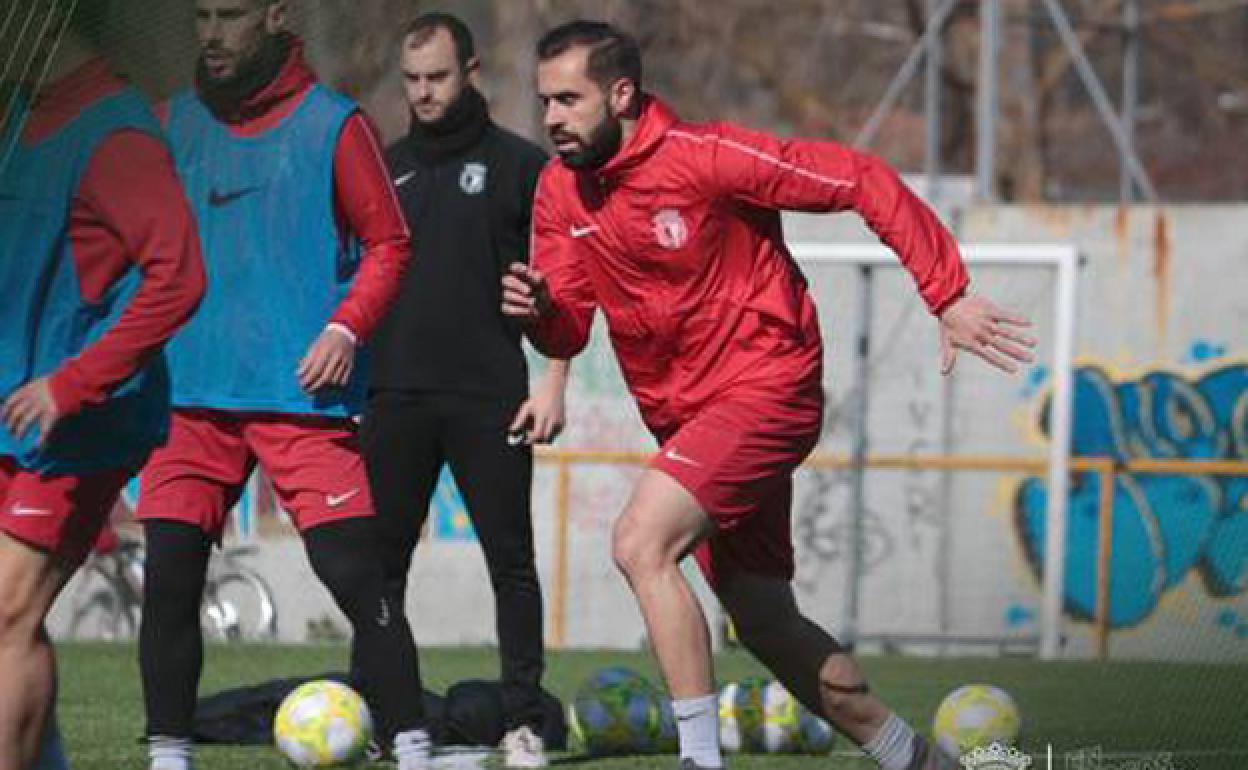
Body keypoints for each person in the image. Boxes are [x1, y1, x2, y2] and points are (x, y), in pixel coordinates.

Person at [502, 20, 1037, 770]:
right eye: (545, 102)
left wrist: (945, 292)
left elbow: (861, 178)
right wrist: (539, 313)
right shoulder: (560, 191)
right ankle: (914, 758)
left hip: (767, 388)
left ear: (620, 94)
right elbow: (568, 331)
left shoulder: (707, 157)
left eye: (568, 99)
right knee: (763, 620)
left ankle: (699, 758)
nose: (552, 118)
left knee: (639, 542)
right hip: (685, 421)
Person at [133, 2, 430, 768]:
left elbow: (391, 243)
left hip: (301, 397)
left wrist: (345, 327)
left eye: (231, 15)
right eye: (201, 15)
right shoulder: (167, 124)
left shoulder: (334, 125)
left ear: (274, 15)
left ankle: (414, 745)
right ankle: (168, 756)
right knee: (169, 580)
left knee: (356, 577)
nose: (211, 32)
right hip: (188, 400)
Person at [0, 3, 206, 769]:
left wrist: (73, 384)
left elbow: (180, 279)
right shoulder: (20, 115)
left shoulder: (118, 136)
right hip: (14, 410)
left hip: (81, 424)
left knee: (8, 611)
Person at [362, 13, 566, 768]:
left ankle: (523, 723)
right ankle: (390, 721)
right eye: (412, 79)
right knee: (380, 571)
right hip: (395, 396)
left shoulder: (523, 167)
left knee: (511, 564)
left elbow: (562, 289)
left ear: (470, 72)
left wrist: (553, 375)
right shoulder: (382, 170)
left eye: (437, 77)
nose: (422, 92)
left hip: (490, 397)